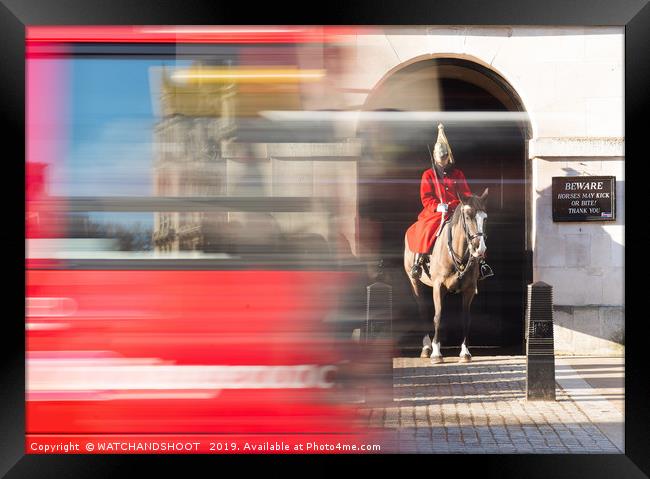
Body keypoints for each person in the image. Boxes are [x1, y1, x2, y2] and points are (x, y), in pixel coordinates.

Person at [406, 123, 494, 280]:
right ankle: (419, 261)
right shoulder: (428, 175)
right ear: (435, 157)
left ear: (448, 157)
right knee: (426, 228)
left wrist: (464, 203)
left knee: (474, 227)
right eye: (440, 158)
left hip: (457, 209)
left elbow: (465, 192)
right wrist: (437, 206)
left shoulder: (458, 174)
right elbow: (426, 197)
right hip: (437, 211)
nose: (442, 161)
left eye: (444, 158)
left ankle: (481, 263)